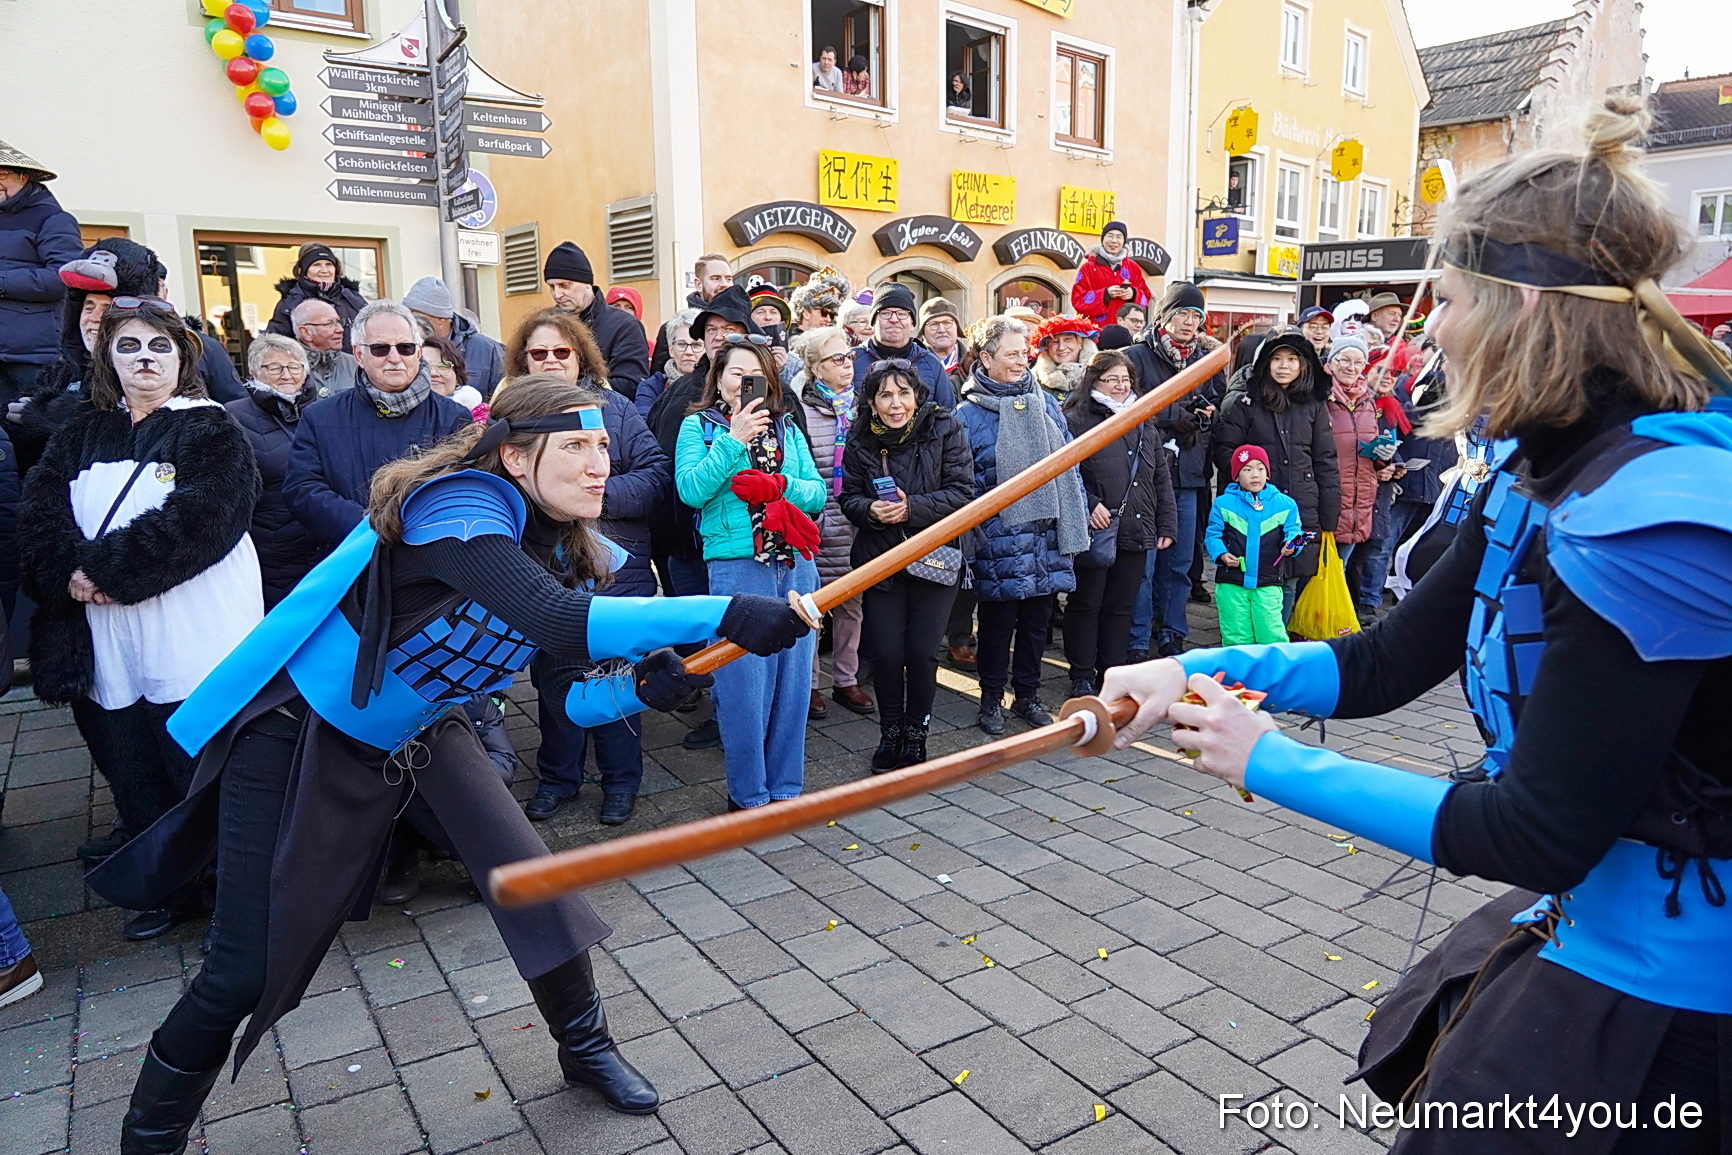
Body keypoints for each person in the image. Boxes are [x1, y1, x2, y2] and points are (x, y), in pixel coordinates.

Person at [1101, 95, 1732, 1153]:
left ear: (1523, 310)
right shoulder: (1541, 469)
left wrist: (1268, 763)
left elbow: (1537, 828)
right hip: (1592, 924)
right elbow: (1387, 660)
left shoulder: (1656, 516)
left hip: (1680, 998)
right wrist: (1191, 664)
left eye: (1444, 300)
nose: (1428, 328)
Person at [95, 374, 812, 1148]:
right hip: (301, 733)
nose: (598, 464)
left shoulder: (571, 545)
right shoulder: (457, 507)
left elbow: (570, 696)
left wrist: (640, 687)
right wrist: (725, 611)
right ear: (514, 459)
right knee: (242, 965)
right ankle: (151, 1135)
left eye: (602, 445)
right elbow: (555, 620)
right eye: (573, 446)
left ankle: (587, 1048)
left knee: (537, 882)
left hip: (427, 732)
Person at [21, 300, 262, 941]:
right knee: (131, 766)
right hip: (104, 638)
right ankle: (167, 887)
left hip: (189, 628)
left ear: (183, 357)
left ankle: (230, 895)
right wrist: (68, 571)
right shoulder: (79, 435)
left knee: (203, 767)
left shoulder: (211, 429)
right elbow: (40, 510)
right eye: (129, 347)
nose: (145, 358)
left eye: (159, 346)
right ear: (109, 359)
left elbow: (208, 515)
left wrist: (109, 571)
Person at [504, 309, 672, 826]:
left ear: (581, 358)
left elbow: (655, 476)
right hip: (546, 573)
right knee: (555, 676)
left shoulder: (616, 409)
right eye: (540, 353)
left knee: (620, 673)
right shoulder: (511, 416)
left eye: (562, 352)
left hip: (616, 570)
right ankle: (559, 778)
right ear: (523, 360)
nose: (551, 361)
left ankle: (621, 783)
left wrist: (591, 497)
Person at [676, 337, 824, 808]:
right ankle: (748, 796)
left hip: (795, 563)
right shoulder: (697, 427)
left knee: (793, 686)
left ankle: (785, 790)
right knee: (743, 689)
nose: (744, 382)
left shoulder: (789, 429)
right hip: (737, 566)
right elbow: (691, 491)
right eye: (735, 373)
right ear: (717, 380)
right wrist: (732, 440)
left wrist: (779, 486)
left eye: (754, 373)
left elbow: (817, 493)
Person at [956, 315, 1090, 734]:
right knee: (997, 625)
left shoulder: (1046, 401)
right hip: (1000, 535)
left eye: (1023, 353)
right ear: (985, 358)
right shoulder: (967, 414)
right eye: (1011, 354)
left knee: (1037, 623)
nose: (1021, 361)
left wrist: (1076, 510)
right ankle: (991, 699)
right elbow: (963, 479)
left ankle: (1027, 696)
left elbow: (1069, 462)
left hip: (1047, 531)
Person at [841, 359, 973, 769]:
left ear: (917, 396)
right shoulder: (860, 439)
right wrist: (871, 511)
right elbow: (848, 499)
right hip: (882, 560)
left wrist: (911, 507)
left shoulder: (945, 428)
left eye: (903, 393)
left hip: (935, 557)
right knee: (885, 652)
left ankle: (917, 735)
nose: (895, 403)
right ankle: (890, 732)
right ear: (871, 401)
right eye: (885, 395)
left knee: (920, 653)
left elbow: (964, 493)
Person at [285, 300, 473, 549]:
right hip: (353, 559)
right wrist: (366, 526)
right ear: (359, 354)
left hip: (430, 562)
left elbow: (466, 490)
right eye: (380, 349)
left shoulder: (454, 417)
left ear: (418, 352)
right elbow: (303, 489)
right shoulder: (320, 418)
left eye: (405, 348)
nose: (394, 358)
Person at [1061, 351, 1176, 697]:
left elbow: (1160, 478)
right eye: (1111, 380)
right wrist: (1089, 505)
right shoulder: (1076, 418)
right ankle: (1081, 673)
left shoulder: (1142, 418)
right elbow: (1067, 474)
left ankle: (1111, 672)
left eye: (1125, 379)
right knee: (1086, 602)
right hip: (1097, 526)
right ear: (1094, 382)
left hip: (1137, 524)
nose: (1120, 386)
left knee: (1121, 605)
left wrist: (1167, 524)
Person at [1126, 283, 1226, 659]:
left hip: (1188, 473)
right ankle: (1136, 638)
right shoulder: (1135, 356)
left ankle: (1172, 631)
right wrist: (1176, 416)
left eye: (1196, 316)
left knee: (1180, 563)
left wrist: (1207, 415)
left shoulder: (1207, 358)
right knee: (1143, 564)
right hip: (1145, 476)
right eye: (1182, 313)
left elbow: (1218, 400)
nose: (1189, 322)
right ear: (1165, 316)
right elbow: (1127, 405)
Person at [1211, 330, 1339, 623]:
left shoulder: (1314, 404)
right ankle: (1246, 643)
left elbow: (1325, 460)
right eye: (1277, 358)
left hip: (1301, 504)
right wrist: (1249, 478)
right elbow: (1226, 451)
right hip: (1252, 509)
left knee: (1290, 578)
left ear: (1303, 364)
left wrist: (1329, 513)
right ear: (1265, 363)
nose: (1284, 366)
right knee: (1250, 579)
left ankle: (1275, 645)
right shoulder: (1245, 403)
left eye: (1292, 359)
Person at [792, 327, 872, 718]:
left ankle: (846, 679)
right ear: (814, 367)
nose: (847, 365)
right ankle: (809, 685)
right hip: (818, 521)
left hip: (857, 520)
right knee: (812, 609)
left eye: (849, 357)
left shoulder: (863, 406)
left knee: (852, 606)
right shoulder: (801, 409)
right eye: (837, 359)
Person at [225, 335, 330, 608]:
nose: (286, 374)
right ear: (254, 373)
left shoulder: (326, 411)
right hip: (272, 550)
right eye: (274, 368)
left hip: (325, 542)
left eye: (294, 366)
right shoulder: (232, 416)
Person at [0, 139, 81, 406]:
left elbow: (65, 278)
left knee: (33, 434)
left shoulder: (53, 219)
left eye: (2, 175)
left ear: (25, 177)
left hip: (33, 357)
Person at [1205, 444, 1300, 645]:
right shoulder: (1223, 503)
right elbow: (1213, 534)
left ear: (1268, 473)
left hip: (1268, 581)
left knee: (1271, 635)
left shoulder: (1285, 504)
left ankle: (1273, 675)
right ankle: (1238, 675)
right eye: (1247, 469)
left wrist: (1291, 545)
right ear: (1236, 476)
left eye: (1260, 468)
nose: (1254, 474)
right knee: (1235, 636)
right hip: (1231, 583)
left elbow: (1294, 531)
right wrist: (1221, 554)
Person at [544, 241, 649, 393]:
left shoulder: (625, 326)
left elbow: (631, 385)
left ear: (587, 283)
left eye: (565, 285)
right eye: (552, 287)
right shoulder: (544, 322)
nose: (557, 295)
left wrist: (571, 385)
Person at [1323, 335, 1380, 574]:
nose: (1351, 367)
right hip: (1326, 497)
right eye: (1345, 360)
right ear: (1331, 362)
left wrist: (1383, 455)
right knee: (1314, 570)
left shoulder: (1368, 400)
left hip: (1359, 499)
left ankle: (1330, 613)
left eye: (1358, 362)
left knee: (1339, 571)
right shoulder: (1319, 396)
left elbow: (1369, 445)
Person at [850, 284, 955, 408]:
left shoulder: (931, 363)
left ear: (912, 324)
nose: (894, 319)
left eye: (902, 314)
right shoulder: (852, 360)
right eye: (885, 313)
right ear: (873, 321)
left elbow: (948, 416)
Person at [403, 276, 506, 400]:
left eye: (416, 316)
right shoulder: (405, 349)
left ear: (441, 319)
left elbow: (504, 400)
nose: (412, 322)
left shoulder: (488, 350)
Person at [264, 243, 367, 351]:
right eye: (316, 265)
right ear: (304, 270)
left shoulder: (353, 299)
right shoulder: (290, 303)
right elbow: (276, 344)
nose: (324, 270)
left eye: (329, 264)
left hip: (353, 366)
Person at [1072, 221, 1152, 329]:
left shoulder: (1133, 267)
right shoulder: (1089, 268)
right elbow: (1077, 300)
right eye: (1110, 236)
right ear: (1103, 240)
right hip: (1094, 332)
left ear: (1124, 242)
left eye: (1119, 237)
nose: (1114, 241)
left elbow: (1146, 297)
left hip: (1125, 332)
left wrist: (1133, 294)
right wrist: (1105, 294)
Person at [634, 308, 700, 418]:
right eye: (681, 344)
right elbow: (643, 426)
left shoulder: (716, 386)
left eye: (696, 345)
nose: (689, 352)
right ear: (671, 350)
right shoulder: (652, 387)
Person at [290, 298, 356, 399]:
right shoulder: (286, 370)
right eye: (329, 324)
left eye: (338, 322)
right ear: (306, 332)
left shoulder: (357, 366)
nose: (340, 329)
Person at [1032, 314, 1099, 403]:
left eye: (1067, 339)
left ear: (1080, 343)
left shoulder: (1099, 375)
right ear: (1047, 347)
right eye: (1055, 341)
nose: (1061, 347)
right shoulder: (1032, 379)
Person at [423, 333, 484, 413]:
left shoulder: (479, 418)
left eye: (444, 366)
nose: (434, 373)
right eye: (426, 366)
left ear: (457, 377)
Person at [789, 267, 850, 337]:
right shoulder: (795, 344)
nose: (828, 319)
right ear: (806, 314)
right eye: (823, 312)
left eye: (832, 315)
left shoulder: (826, 340)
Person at [917, 297, 963, 373]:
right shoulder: (910, 366)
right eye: (934, 324)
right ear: (923, 332)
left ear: (957, 327)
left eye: (947, 323)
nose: (941, 330)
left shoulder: (975, 365)